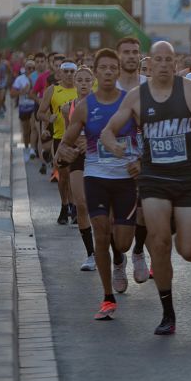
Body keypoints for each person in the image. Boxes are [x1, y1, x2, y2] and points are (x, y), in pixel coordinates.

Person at [101, 41, 191, 335]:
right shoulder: (136, 97)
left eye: (169, 59)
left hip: (188, 178)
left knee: (190, 251)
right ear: (148, 63)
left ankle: (177, 231)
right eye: (159, 59)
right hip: (154, 179)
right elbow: (108, 130)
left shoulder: (190, 90)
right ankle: (168, 313)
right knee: (160, 243)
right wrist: (113, 145)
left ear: (175, 62)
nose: (164, 64)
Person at [58, 49, 143, 320]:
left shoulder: (130, 103)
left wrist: (140, 160)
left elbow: (147, 138)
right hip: (95, 176)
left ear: (118, 72)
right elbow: (65, 144)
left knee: (123, 240)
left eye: (112, 68)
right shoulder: (85, 106)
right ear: (96, 73)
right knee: (101, 232)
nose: (107, 72)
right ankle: (107, 297)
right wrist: (65, 153)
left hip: (125, 179)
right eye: (102, 68)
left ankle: (120, 259)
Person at [114, 36, 150, 277]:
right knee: (111, 220)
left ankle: (138, 252)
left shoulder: (150, 85)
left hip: (146, 158)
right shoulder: (108, 85)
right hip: (112, 158)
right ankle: (118, 262)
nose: (130, 55)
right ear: (118, 56)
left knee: (144, 212)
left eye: (134, 52)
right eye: (125, 51)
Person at [39, 62, 79, 224]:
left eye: (72, 71)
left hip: (79, 139)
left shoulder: (82, 89)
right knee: (63, 177)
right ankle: (64, 206)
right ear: (60, 73)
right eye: (66, 71)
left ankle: (75, 208)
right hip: (60, 138)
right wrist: (49, 118)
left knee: (76, 176)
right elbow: (40, 113)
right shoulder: (52, 90)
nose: (69, 74)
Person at [65, 67, 95, 270]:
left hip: (98, 155)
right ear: (75, 83)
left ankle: (113, 252)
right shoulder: (68, 107)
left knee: (103, 209)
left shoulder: (100, 104)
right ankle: (91, 254)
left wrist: (92, 142)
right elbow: (68, 135)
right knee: (81, 204)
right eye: (80, 80)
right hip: (77, 156)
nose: (83, 83)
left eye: (87, 80)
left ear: (92, 82)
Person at [12, 58, 38, 162]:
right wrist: (22, 91)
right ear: (25, 69)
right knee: (26, 131)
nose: (31, 70)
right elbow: (12, 93)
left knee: (33, 128)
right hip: (23, 107)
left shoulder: (38, 78)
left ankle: (33, 149)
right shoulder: (20, 79)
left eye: (33, 68)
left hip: (33, 107)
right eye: (29, 68)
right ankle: (27, 149)